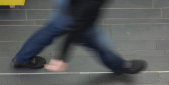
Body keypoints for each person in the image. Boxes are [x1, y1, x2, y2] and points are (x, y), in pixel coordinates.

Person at [11, 0, 147, 74]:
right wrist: (62, 58)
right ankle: (120, 65)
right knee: (99, 43)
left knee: (53, 27)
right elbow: (77, 27)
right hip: (78, 13)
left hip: (66, 4)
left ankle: (22, 58)